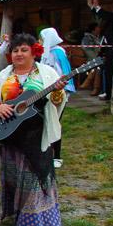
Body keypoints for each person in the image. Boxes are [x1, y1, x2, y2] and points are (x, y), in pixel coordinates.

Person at [0, 34, 66, 226]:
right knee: (15, 179)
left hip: (37, 136)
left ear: (34, 52)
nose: (19, 54)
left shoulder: (47, 74)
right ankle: (18, 219)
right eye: (16, 50)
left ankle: (36, 225)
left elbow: (57, 101)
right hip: (12, 137)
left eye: (24, 50)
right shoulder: (3, 76)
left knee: (35, 176)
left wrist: (57, 93)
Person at [39, 27, 74, 169]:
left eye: (41, 38)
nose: (39, 41)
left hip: (58, 93)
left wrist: (64, 89)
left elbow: (65, 72)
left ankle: (57, 155)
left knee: (55, 123)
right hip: (46, 92)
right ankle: (46, 152)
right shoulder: (46, 53)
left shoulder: (58, 53)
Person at [87, 0, 113, 101]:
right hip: (108, 51)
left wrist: (96, 7)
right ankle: (107, 92)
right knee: (105, 70)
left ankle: (109, 93)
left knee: (107, 70)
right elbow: (103, 16)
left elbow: (106, 16)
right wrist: (93, 8)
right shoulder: (111, 17)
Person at [79, 23, 102, 94]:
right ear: (93, 29)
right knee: (97, 65)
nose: (100, 29)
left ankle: (88, 82)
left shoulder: (99, 37)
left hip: (97, 58)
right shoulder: (87, 38)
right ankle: (95, 88)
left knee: (98, 65)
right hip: (90, 59)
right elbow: (86, 50)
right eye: (98, 27)